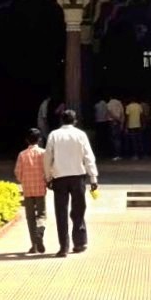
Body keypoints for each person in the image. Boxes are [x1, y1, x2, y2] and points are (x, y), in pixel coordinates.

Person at [44, 110, 98, 257]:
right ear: (75, 121)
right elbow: (88, 157)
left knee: (61, 213)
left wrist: (48, 177)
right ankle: (79, 243)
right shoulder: (81, 135)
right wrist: (93, 177)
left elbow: (48, 157)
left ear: (61, 120)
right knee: (78, 210)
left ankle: (64, 247)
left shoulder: (54, 135)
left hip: (59, 177)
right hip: (78, 177)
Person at [14, 128, 47, 254]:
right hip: (40, 189)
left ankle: (33, 245)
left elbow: (18, 172)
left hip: (27, 190)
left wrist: (23, 180)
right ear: (39, 139)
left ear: (26, 140)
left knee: (30, 217)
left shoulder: (22, 154)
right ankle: (40, 232)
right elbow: (47, 170)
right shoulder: (43, 153)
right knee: (42, 215)